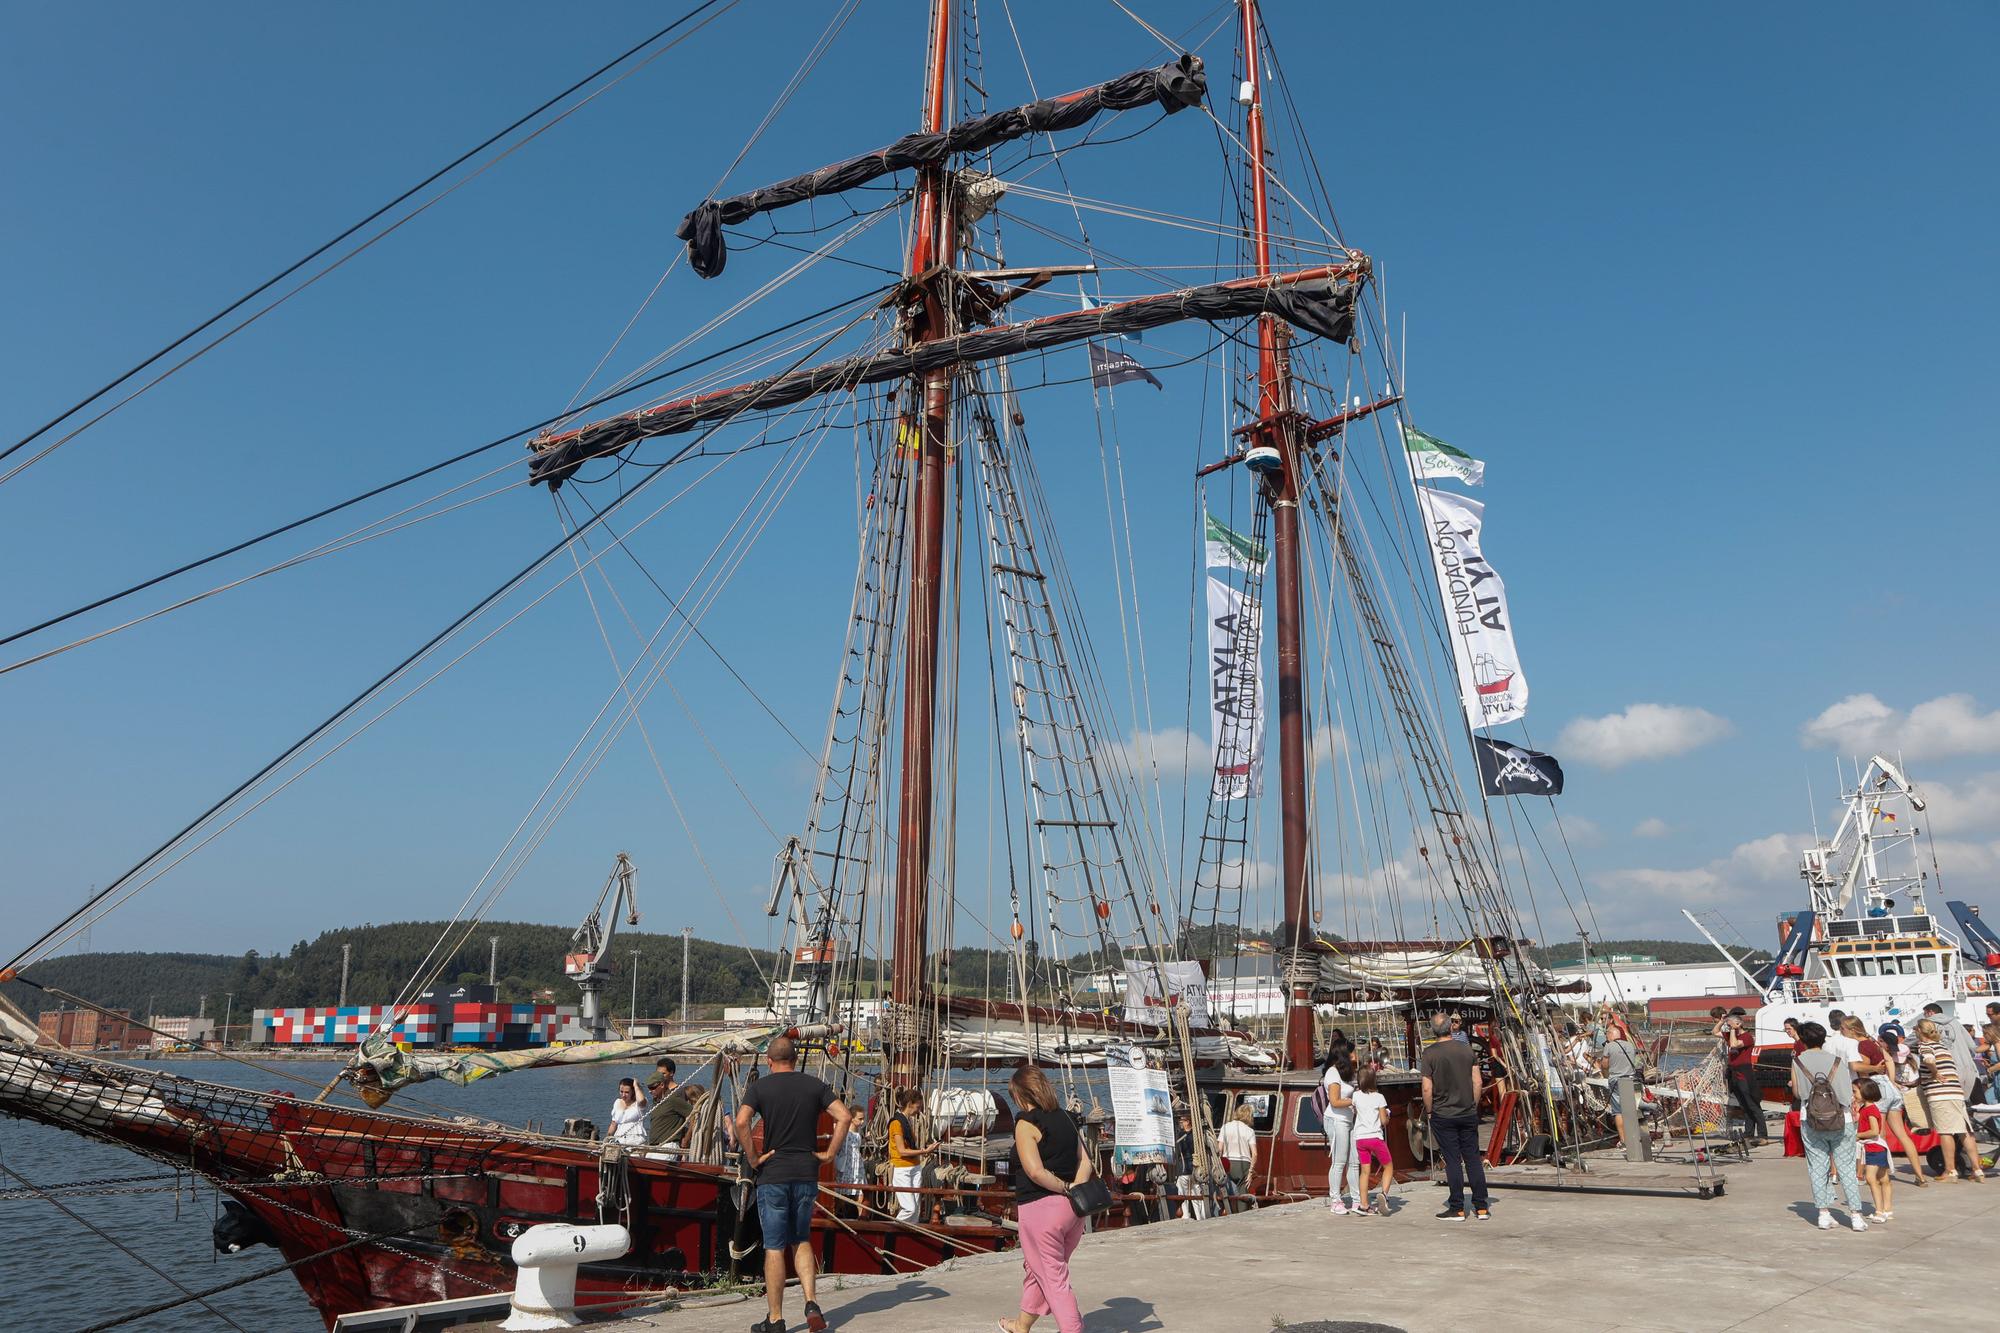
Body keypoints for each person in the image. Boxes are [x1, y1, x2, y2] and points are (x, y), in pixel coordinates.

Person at [734, 1036, 852, 1333]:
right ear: (796, 1060)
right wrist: (829, 1154)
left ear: (770, 1062)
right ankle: (811, 1303)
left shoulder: (760, 1088)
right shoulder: (814, 1085)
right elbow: (844, 1115)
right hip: (806, 1173)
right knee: (800, 1238)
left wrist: (754, 1157)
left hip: (774, 1174)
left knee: (774, 1247)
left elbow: (740, 1122)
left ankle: (775, 1319)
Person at [998, 1065, 1092, 1333]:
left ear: (1020, 1095)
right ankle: (1020, 1325)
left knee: (1053, 1278)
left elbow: (1035, 1171)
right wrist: (1074, 1189)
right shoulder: (1067, 1117)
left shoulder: (1026, 1123)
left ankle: (1073, 1329)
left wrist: (1063, 1187)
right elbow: (1085, 1161)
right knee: (1037, 1269)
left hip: (1041, 1211)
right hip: (1073, 1211)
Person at [1790, 1021, 1867, 1231]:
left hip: (1811, 1118)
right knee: (1847, 1168)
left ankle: (1823, 1214)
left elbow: (1799, 1094)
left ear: (1803, 1040)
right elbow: (1845, 1095)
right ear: (1824, 1039)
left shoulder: (1797, 1062)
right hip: (1841, 1119)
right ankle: (1856, 1216)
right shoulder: (1836, 1060)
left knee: (1818, 1167)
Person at [1421, 1012, 1489, 1220]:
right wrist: (1473, 1105)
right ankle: (1481, 1206)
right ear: (1451, 1028)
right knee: (1473, 1159)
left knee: (1452, 1160)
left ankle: (1457, 1207)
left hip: (1443, 1112)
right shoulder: (1467, 1050)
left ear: (1433, 1031)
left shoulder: (1429, 1054)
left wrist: (1430, 1111)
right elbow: (1478, 1082)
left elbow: (1426, 1088)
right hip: (1467, 1111)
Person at [1914, 1018, 1985, 1183]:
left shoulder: (1925, 1046)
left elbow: (1929, 1060)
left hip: (1940, 1093)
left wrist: (1934, 1073)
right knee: (1964, 1131)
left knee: (1946, 1131)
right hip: (1956, 1092)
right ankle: (1977, 1169)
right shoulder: (1942, 1047)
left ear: (1919, 1031)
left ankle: (1950, 1170)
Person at [886, 1086, 936, 1222]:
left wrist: (924, 1149)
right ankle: (893, 1230)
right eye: (918, 1107)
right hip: (902, 1169)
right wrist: (924, 1151)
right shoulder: (896, 1123)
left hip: (915, 1167)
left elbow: (909, 1147)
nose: (919, 1110)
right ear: (909, 1104)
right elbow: (902, 1151)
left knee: (916, 1209)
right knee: (910, 1208)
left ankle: (909, 1233)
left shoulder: (907, 1122)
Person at [1349, 1067, 1393, 1217]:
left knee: (1365, 1171)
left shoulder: (1355, 1096)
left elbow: (1355, 1110)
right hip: (1375, 1138)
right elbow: (1383, 1121)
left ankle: (1364, 1205)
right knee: (1388, 1166)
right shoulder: (1379, 1097)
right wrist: (1387, 1115)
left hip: (1360, 1139)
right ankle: (1384, 1195)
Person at [1319, 1051, 1359, 1214]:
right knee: (1339, 1160)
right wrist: (1356, 1101)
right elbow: (1335, 1101)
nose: (1356, 1053)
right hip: (1337, 1119)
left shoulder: (1348, 1072)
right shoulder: (1333, 1073)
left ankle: (1357, 1199)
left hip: (1350, 1119)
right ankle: (1335, 1199)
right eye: (1353, 1051)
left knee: (1354, 1161)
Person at [1722, 1008, 1766, 1143]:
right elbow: (1715, 1032)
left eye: (1730, 1024)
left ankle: (1763, 1135)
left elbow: (1734, 1044)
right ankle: (1749, 1133)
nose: (1728, 1027)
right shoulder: (1732, 1035)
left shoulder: (1746, 1037)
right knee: (1744, 1105)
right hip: (1734, 1072)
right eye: (1728, 1025)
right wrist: (1724, 1020)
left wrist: (1734, 1030)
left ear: (1738, 1024)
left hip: (1744, 1072)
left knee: (1752, 1104)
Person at [1856, 1079, 1894, 1222]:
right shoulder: (1866, 1108)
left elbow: (1874, 1131)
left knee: (1871, 1178)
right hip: (1877, 1148)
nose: (1854, 1094)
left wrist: (1858, 1135)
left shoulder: (1870, 1110)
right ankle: (1887, 1209)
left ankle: (1879, 1211)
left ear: (1865, 1091)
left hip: (1874, 1148)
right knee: (1884, 1178)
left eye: (1855, 1091)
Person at [1598, 1026, 1642, 1145]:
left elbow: (1605, 1065)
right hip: (1631, 1079)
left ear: (1612, 1034)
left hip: (1616, 1080)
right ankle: (1635, 1137)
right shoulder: (1629, 1045)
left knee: (1618, 1111)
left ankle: (1623, 1140)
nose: (1606, 1036)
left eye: (1607, 1033)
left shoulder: (1609, 1046)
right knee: (1631, 1109)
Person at [646, 1058, 697, 1147]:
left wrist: (686, 1139)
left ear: (671, 1073)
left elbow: (688, 1117)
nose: (660, 1077)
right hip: (656, 1141)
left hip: (670, 1141)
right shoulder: (657, 1092)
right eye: (658, 1074)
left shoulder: (678, 1092)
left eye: (663, 1074)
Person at [1217, 1104, 1257, 1208]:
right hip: (1244, 1164)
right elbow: (1255, 1153)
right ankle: (1242, 1215)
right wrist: (1250, 1172)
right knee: (1242, 1195)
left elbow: (1219, 1150)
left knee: (1227, 1193)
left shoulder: (1225, 1127)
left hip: (1227, 1163)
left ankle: (1229, 1213)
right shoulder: (1250, 1131)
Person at [608, 1077, 649, 1146]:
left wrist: (636, 1086)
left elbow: (641, 1100)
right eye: (621, 1092)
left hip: (636, 1140)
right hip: (619, 1140)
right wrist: (607, 1139)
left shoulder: (639, 1104)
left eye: (627, 1092)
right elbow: (613, 1124)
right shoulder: (617, 1102)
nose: (623, 1095)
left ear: (633, 1092)